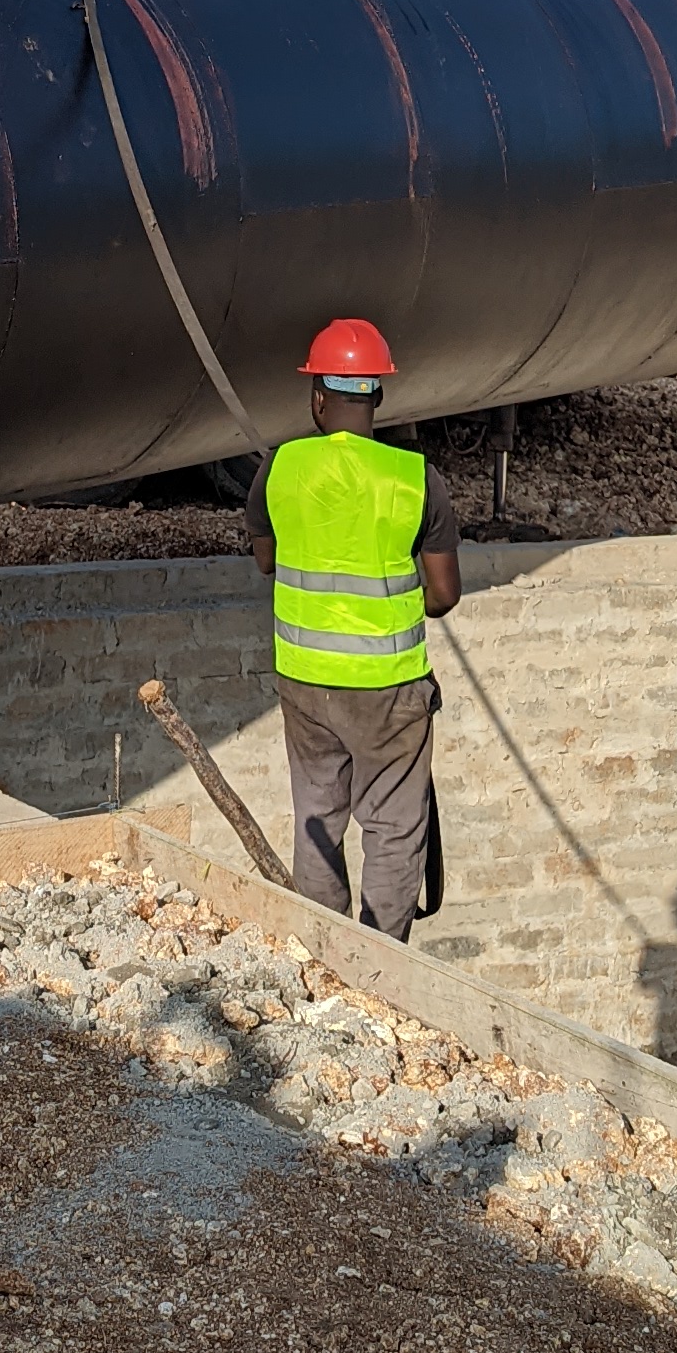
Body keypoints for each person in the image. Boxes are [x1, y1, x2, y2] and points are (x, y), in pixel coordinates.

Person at [243, 315, 460, 939]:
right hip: (389, 688)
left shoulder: (279, 468)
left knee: (316, 812)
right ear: (379, 394)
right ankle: (382, 964)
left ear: (317, 395)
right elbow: (443, 595)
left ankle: (321, 943)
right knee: (393, 826)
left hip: (305, 679)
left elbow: (267, 559)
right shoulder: (416, 479)